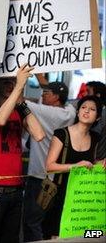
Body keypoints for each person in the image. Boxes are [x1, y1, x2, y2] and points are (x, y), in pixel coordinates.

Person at [0, 65, 45, 243]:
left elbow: (39, 134)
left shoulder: (19, 110)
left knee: (11, 238)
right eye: (6, 82)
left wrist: (21, 102)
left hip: (16, 189)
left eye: (13, 82)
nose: (11, 85)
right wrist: (18, 88)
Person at [23, 79, 76, 242]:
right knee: (48, 224)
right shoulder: (70, 112)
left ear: (56, 97)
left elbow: (22, 103)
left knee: (32, 223)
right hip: (58, 179)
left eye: (46, 93)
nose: (42, 95)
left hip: (40, 179)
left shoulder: (48, 113)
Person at [44, 95, 103, 239]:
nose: (86, 111)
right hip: (60, 197)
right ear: (77, 112)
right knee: (58, 237)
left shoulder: (97, 138)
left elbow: (95, 166)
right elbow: (49, 166)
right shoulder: (61, 134)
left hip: (84, 199)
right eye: (83, 107)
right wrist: (75, 166)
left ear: (98, 118)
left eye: (92, 109)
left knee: (87, 236)